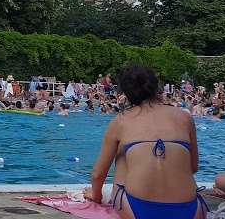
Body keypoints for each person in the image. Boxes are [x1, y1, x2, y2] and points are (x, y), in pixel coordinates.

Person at [84, 65, 206, 218]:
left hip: (139, 210)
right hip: (190, 211)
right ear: (156, 87)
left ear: (126, 93)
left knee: (123, 154)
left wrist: (96, 195)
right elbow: (193, 167)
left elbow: (98, 174)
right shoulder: (184, 117)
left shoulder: (120, 121)